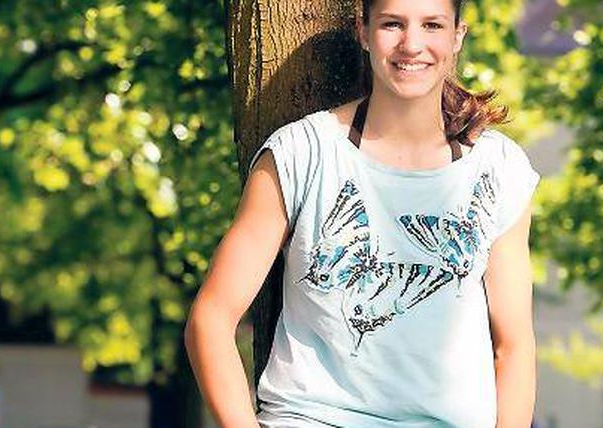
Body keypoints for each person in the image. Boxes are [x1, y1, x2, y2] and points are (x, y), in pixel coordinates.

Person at [184, 0, 540, 426]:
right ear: (363, 31)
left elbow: (513, 347)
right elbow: (211, 319)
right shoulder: (302, 153)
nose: (412, 44)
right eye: (392, 24)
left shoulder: (499, 168)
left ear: (457, 36)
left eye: (432, 25)